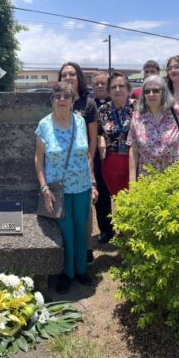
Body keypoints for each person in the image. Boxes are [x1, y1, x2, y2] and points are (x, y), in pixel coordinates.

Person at [35, 82, 98, 295]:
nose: (62, 99)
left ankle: (81, 270)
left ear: (72, 101)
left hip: (81, 186)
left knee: (81, 229)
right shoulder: (44, 125)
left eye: (66, 96)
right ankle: (65, 273)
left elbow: (87, 156)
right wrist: (44, 188)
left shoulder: (80, 121)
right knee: (65, 232)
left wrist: (93, 182)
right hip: (58, 189)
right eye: (57, 96)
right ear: (52, 100)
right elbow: (38, 160)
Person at [58, 62, 98, 260]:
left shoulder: (88, 104)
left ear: (79, 77)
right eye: (64, 74)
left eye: (72, 74)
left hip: (83, 165)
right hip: (61, 170)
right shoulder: (58, 100)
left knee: (85, 212)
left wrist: (88, 164)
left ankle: (87, 248)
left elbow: (93, 138)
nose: (68, 77)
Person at [128, 75, 179, 181]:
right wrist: (132, 181)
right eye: (147, 91)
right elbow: (133, 150)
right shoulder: (137, 117)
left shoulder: (176, 112)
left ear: (164, 93)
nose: (151, 94)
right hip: (149, 183)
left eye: (156, 90)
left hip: (178, 179)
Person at [98, 72, 134, 196]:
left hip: (135, 159)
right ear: (108, 91)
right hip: (112, 161)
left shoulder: (139, 107)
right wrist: (100, 138)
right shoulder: (103, 110)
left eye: (121, 86)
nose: (117, 89)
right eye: (113, 87)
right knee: (118, 200)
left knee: (135, 200)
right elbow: (97, 132)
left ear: (128, 89)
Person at [90, 72, 113, 243]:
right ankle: (105, 229)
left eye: (103, 83)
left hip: (116, 154)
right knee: (101, 194)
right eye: (96, 83)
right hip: (96, 155)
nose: (99, 86)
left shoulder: (115, 104)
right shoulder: (90, 106)